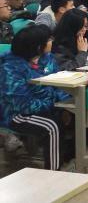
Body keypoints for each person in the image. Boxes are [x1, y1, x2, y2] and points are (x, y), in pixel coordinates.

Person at [0, 25, 71, 170]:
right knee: (52, 126)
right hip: (16, 114)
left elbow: (58, 83)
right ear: (38, 46)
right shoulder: (11, 68)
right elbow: (22, 105)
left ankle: (68, 156)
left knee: (85, 114)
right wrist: (55, 104)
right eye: (48, 39)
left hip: (47, 105)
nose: (52, 41)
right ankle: (54, 172)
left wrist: (65, 103)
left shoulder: (47, 58)